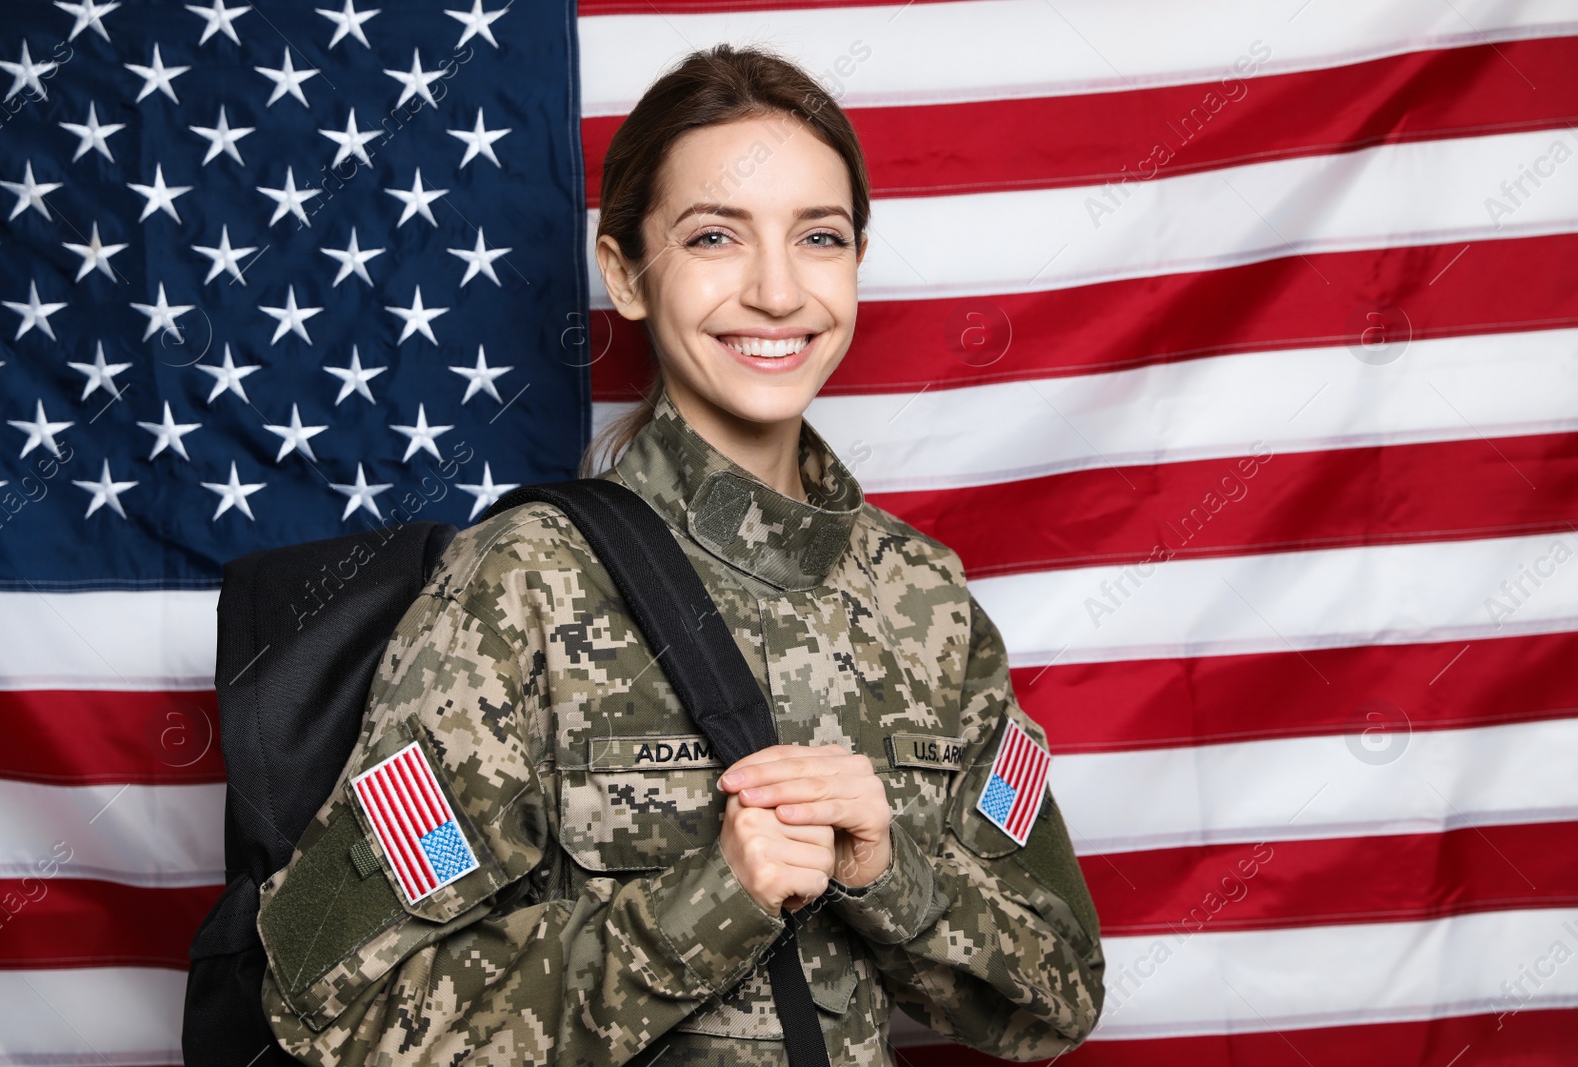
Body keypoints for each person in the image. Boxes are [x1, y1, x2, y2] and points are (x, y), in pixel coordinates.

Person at [256, 42, 1105, 1066]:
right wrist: (712, 901)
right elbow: (332, 1004)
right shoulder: (522, 583)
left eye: (819, 238)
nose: (778, 292)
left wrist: (890, 876)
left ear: (855, 267)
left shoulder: (924, 601)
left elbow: (1058, 995)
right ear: (625, 273)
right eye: (714, 237)